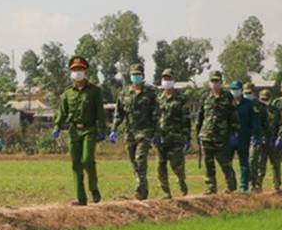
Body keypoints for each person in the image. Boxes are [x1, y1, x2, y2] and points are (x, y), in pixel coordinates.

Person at [52, 56, 107, 206]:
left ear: (85, 71)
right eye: (75, 70)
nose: (77, 72)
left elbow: (100, 112)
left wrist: (102, 129)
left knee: (87, 160)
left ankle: (94, 188)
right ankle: (81, 197)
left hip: (89, 129)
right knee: (76, 164)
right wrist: (57, 126)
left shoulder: (95, 91)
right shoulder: (67, 94)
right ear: (71, 72)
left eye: (80, 69)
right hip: (73, 131)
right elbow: (61, 112)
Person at [110, 63, 158, 200]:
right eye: (133, 75)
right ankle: (143, 188)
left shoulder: (151, 93)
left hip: (145, 132)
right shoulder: (124, 93)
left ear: (142, 76)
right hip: (130, 133)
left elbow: (156, 114)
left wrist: (157, 133)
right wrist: (113, 129)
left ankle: (139, 189)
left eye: (138, 75)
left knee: (140, 159)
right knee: (134, 162)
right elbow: (118, 113)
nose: (135, 77)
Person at [195, 70, 238, 194]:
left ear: (221, 82)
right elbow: (200, 116)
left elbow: (233, 116)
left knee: (225, 163)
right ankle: (211, 187)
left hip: (222, 137)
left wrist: (234, 133)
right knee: (208, 164)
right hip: (206, 135)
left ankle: (231, 186)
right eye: (213, 81)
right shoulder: (204, 97)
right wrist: (198, 133)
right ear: (209, 82)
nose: (215, 83)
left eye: (217, 81)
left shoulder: (228, 97)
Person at [155, 68, 190, 198]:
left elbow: (185, 119)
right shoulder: (158, 99)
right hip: (161, 138)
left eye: (169, 78)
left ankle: (181, 181)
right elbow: (154, 117)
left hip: (176, 138)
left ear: (173, 80)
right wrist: (155, 134)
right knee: (160, 166)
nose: (166, 81)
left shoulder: (181, 99)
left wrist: (187, 137)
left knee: (177, 166)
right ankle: (166, 192)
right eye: (164, 79)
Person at [230, 80, 262, 193]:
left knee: (244, 162)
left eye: (237, 89)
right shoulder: (227, 103)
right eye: (233, 89)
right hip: (230, 137)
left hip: (244, 137)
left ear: (241, 90)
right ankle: (231, 186)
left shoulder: (248, 104)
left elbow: (255, 122)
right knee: (227, 163)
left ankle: (244, 186)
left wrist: (256, 136)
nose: (235, 92)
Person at [250, 87, 280, 191]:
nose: (264, 101)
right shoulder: (256, 110)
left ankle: (276, 185)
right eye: (262, 99)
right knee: (260, 165)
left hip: (273, 140)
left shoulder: (275, 111)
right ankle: (258, 185)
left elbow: (280, 125)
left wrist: (278, 138)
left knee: (275, 163)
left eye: (266, 99)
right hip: (261, 140)